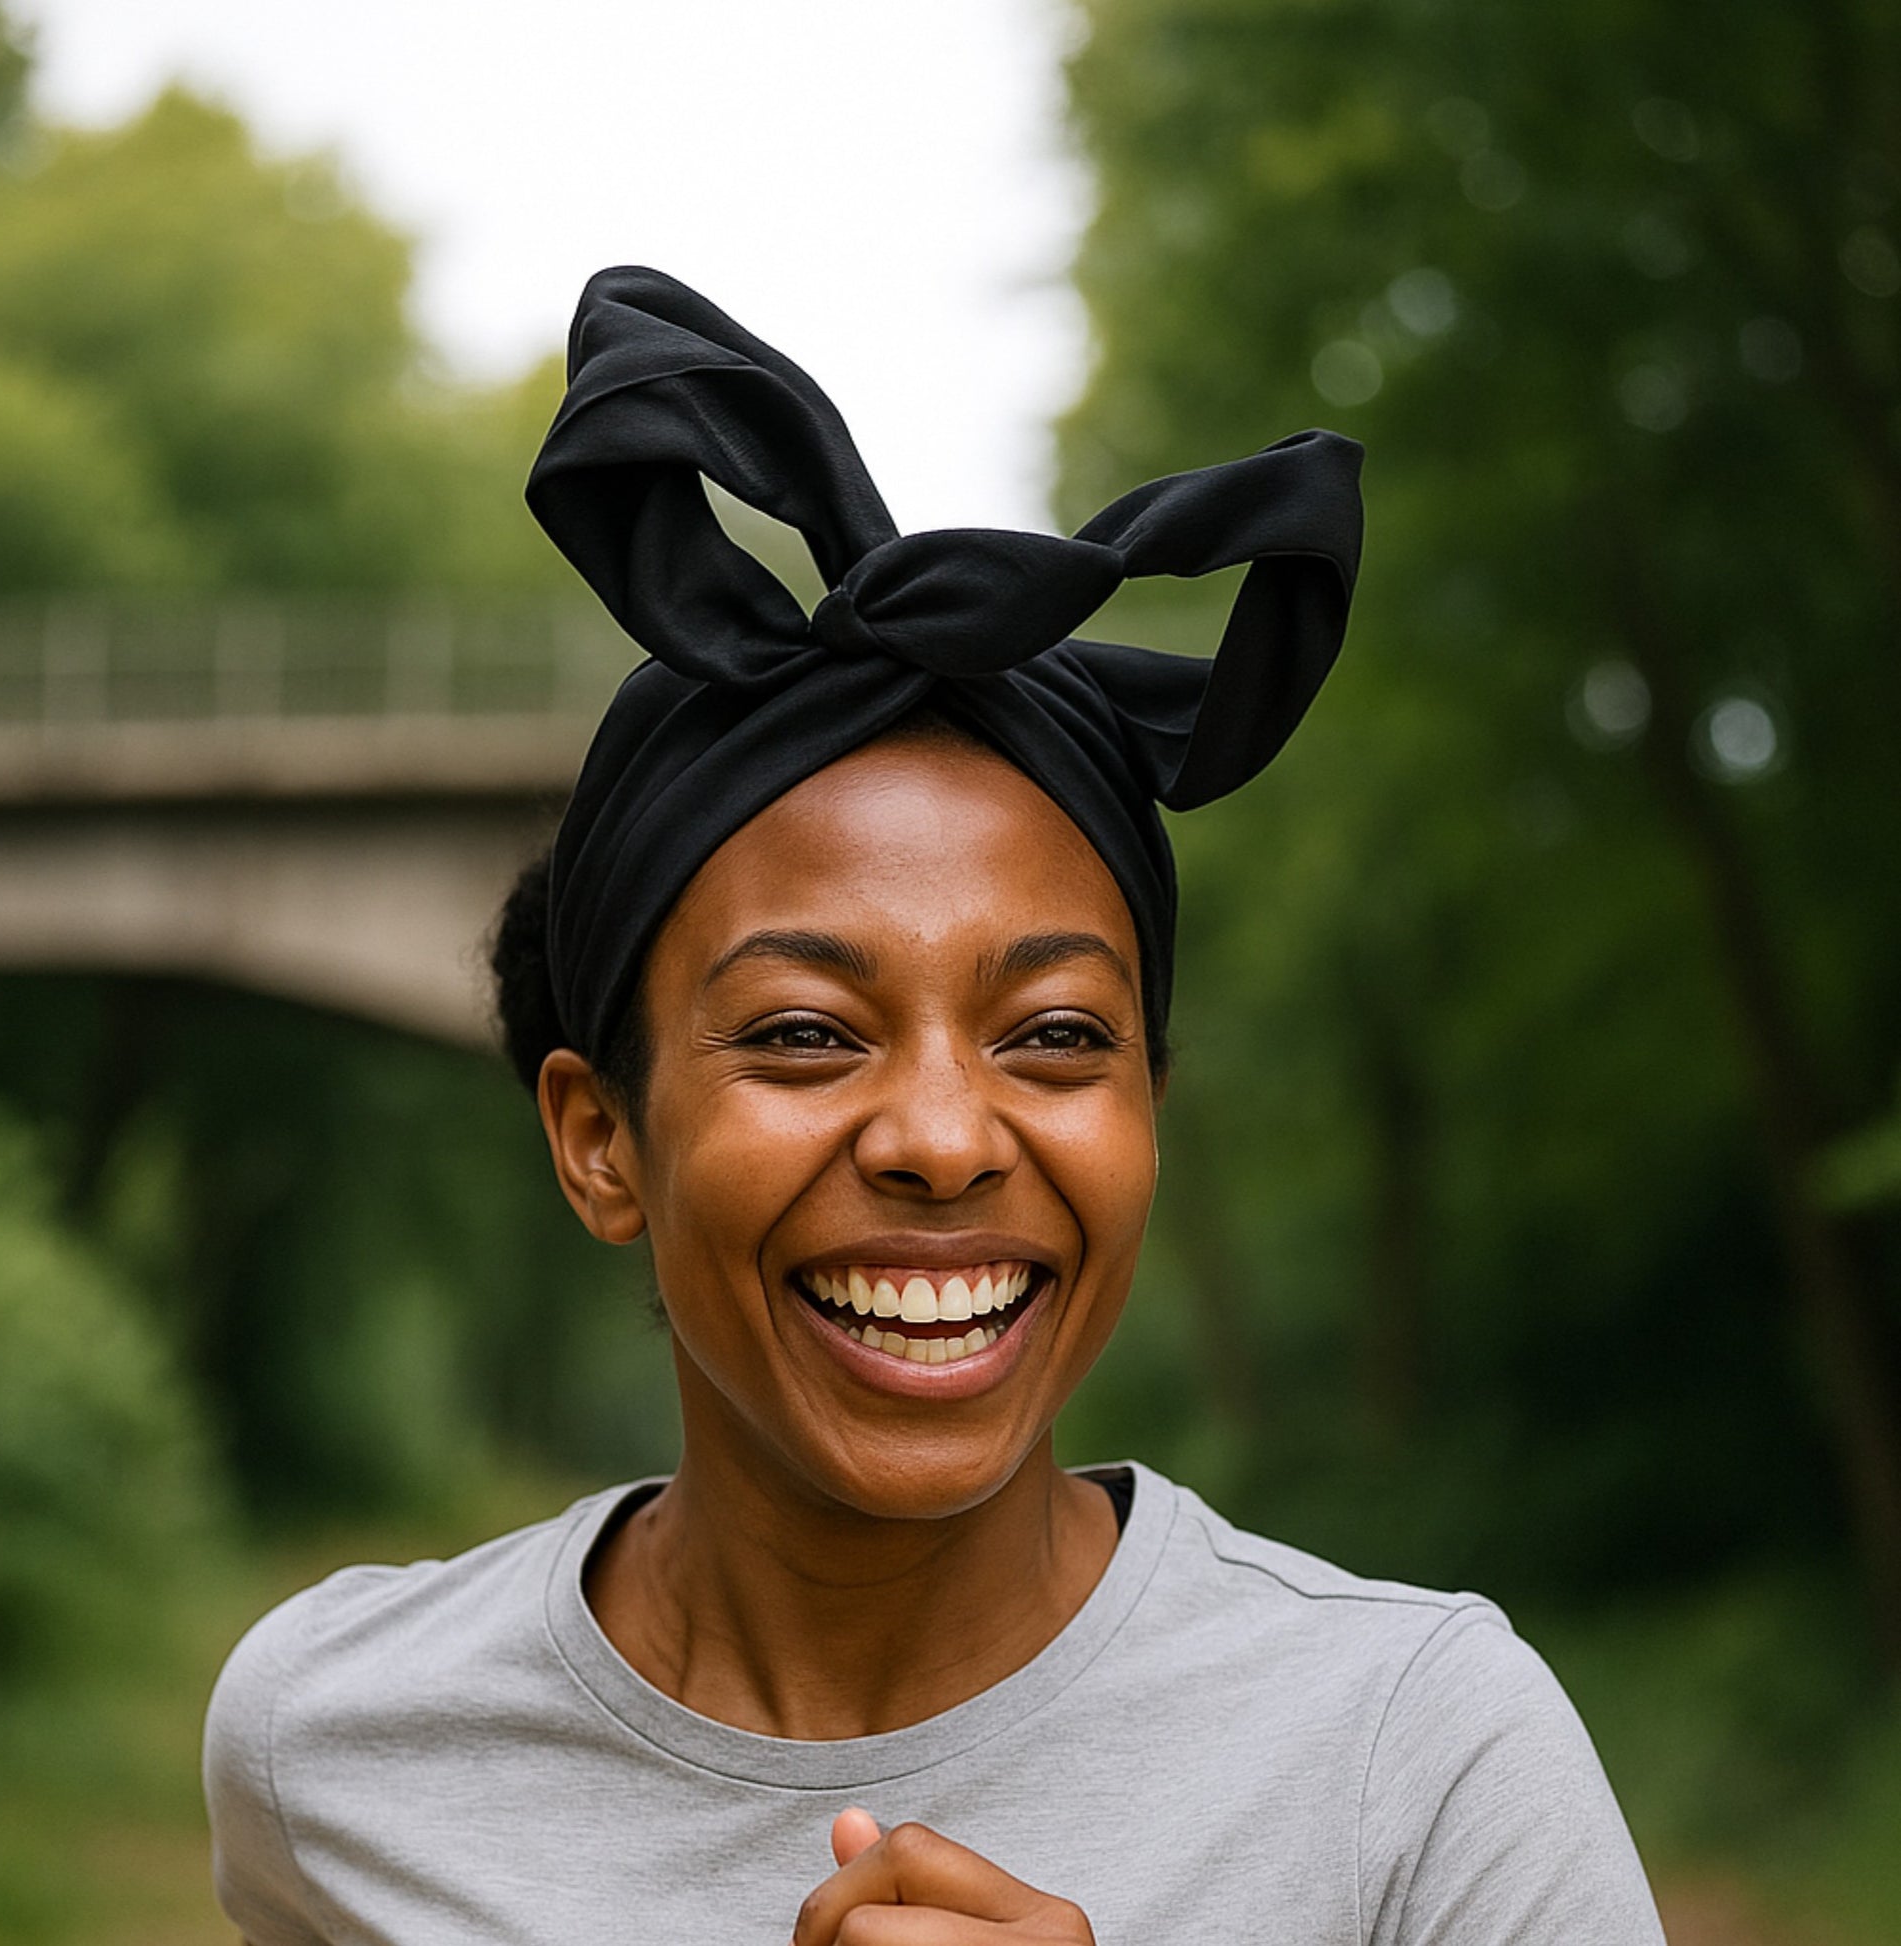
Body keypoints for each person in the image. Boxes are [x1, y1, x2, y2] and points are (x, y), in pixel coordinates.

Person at [204, 268, 1664, 1944]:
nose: (946, 1137)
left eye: (1052, 1033)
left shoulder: (1421, 1759)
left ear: (1148, 1115)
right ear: (599, 1136)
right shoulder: (329, 1748)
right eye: (809, 1034)